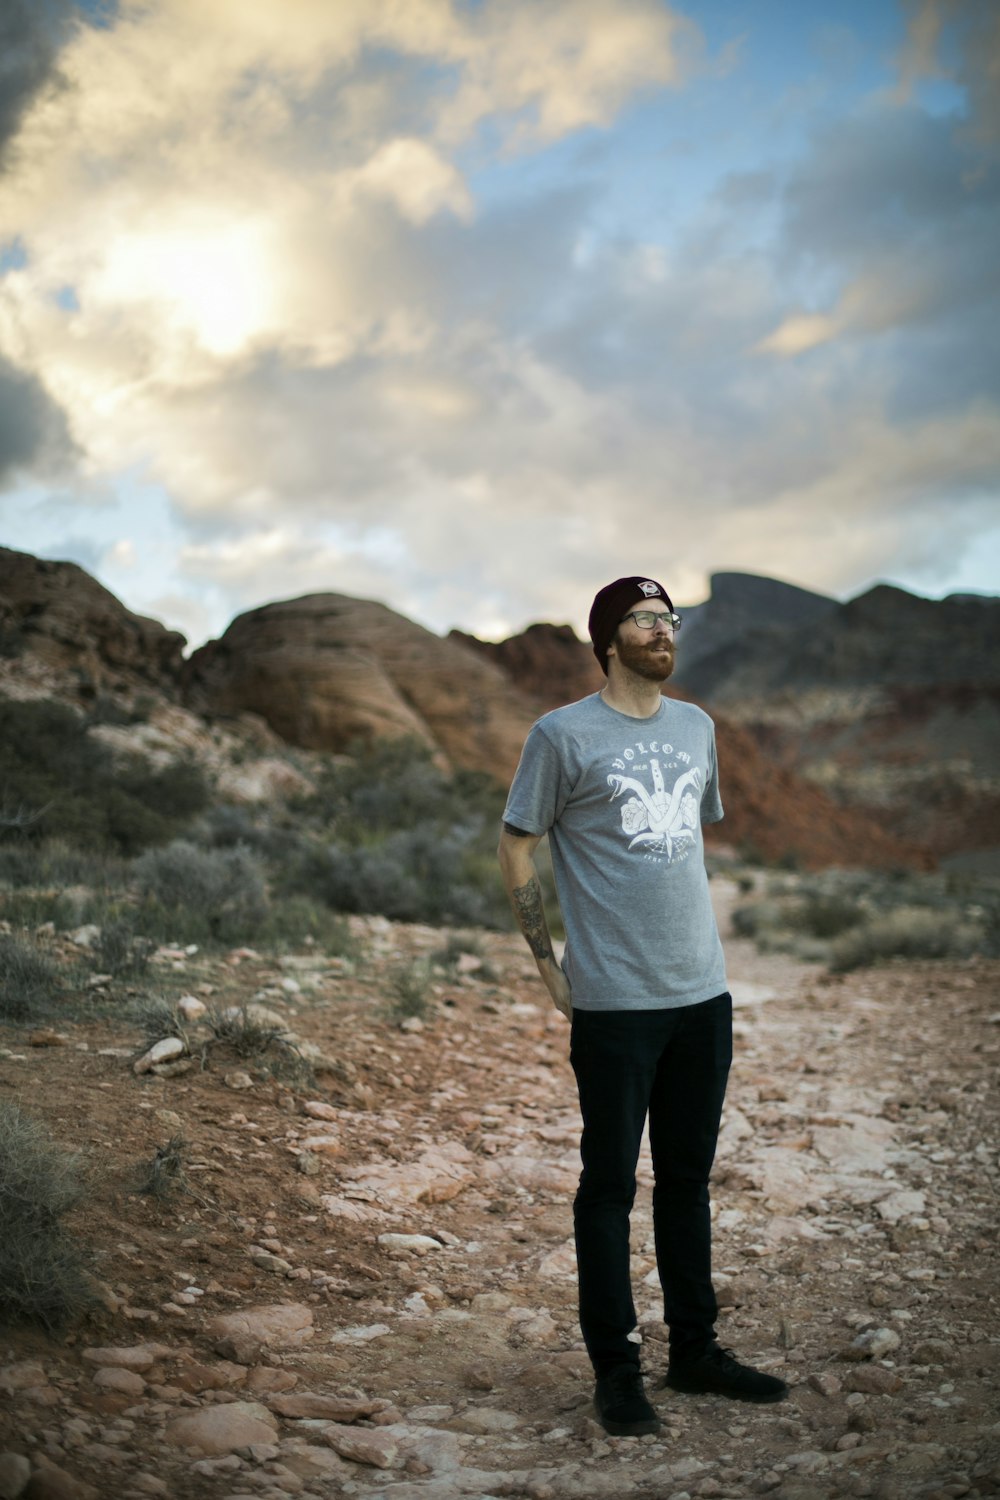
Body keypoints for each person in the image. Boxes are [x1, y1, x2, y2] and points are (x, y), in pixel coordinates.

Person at [497, 576, 788, 1438]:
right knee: (608, 1186)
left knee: (689, 1181)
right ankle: (617, 1372)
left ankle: (694, 1353)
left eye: (671, 620)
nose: (664, 631)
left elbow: (684, 840)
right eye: (645, 619)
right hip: (617, 1005)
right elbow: (518, 843)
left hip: (703, 994)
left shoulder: (697, 728)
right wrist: (549, 967)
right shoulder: (560, 735)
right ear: (608, 637)